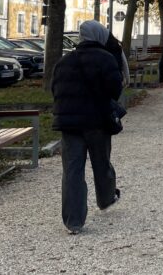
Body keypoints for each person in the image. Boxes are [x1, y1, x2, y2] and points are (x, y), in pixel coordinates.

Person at [52, 20, 125, 235]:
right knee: (101, 163)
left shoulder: (65, 60)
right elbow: (115, 89)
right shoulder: (106, 58)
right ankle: (105, 198)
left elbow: (54, 89)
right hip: (97, 122)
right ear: (100, 36)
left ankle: (73, 222)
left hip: (69, 124)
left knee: (72, 171)